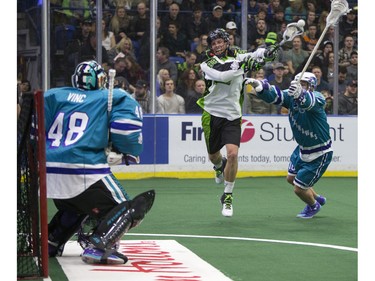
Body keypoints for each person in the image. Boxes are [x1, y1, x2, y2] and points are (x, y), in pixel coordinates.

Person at [45, 60, 155, 264]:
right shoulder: (112, 96)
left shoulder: (53, 95)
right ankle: (100, 245)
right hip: (82, 167)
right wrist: (125, 152)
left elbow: (33, 127)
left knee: (78, 204)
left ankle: (51, 240)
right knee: (129, 207)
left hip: (48, 171)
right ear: (101, 79)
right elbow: (126, 131)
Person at [198, 28, 276, 217]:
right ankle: (218, 167)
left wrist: (266, 53)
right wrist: (244, 65)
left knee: (232, 154)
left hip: (233, 115)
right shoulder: (207, 63)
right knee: (214, 156)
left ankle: (227, 196)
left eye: (220, 42)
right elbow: (223, 76)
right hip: (212, 113)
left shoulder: (239, 55)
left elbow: (255, 55)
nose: (217, 45)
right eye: (213, 43)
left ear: (227, 42)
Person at [245, 72, 333, 219]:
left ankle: (313, 205)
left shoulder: (318, 98)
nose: (299, 86)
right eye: (298, 83)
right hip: (301, 148)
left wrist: (300, 94)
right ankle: (316, 197)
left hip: (319, 153)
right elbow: (275, 96)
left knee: (299, 189)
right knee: (290, 179)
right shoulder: (291, 95)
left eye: (303, 84)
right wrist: (261, 88)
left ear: (311, 86)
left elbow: (308, 102)